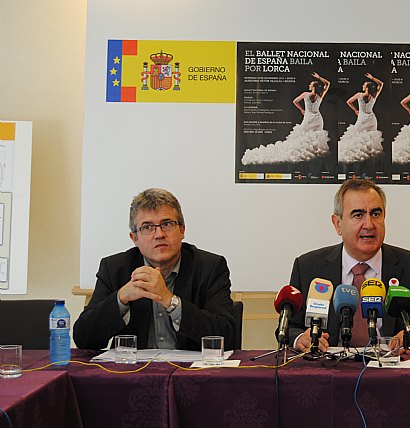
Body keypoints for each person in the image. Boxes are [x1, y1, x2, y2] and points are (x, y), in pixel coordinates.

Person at [286, 179, 410, 353]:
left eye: (376, 214)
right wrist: (300, 338)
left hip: (392, 366)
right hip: (328, 365)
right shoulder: (308, 268)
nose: (369, 224)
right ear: (338, 224)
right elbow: (289, 327)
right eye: (358, 215)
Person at [73, 188, 235, 351]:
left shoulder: (210, 267)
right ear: (134, 238)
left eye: (167, 224)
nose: (159, 234)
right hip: (134, 367)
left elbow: (227, 337)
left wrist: (170, 301)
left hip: (192, 366)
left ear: (182, 230)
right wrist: (121, 298)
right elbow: (84, 339)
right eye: (147, 227)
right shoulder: (115, 268)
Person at [241, 72, 331, 165]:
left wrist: (301, 110)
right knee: (317, 137)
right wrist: (319, 77)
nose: (309, 85)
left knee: (302, 135)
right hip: (318, 119)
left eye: (310, 84)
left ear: (313, 87)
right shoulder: (320, 95)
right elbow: (328, 83)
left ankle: (312, 157)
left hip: (308, 118)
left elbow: (295, 101)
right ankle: (315, 155)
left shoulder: (305, 94)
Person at [337, 73, 385, 163]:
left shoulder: (359, 95)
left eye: (364, 85)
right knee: (371, 138)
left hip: (362, 118)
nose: (362, 86)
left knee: (357, 136)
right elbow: (381, 84)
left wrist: (355, 110)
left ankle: (362, 158)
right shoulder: (374, 95)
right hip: (371, 119)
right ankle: (368, 158)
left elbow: (349, 102)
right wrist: (372, 78)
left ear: (366, 88)